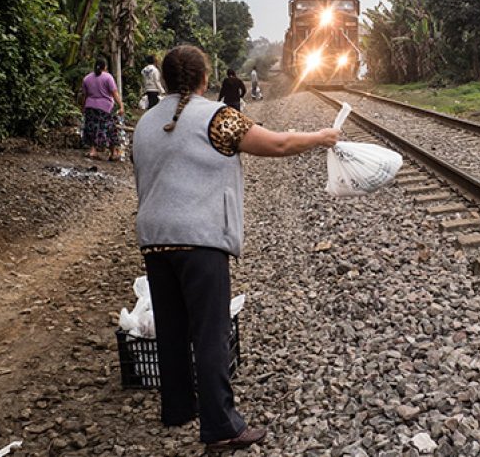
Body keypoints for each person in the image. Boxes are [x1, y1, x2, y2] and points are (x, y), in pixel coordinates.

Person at [132, 45, 339, 452]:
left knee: (172, 330)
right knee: (211, 332)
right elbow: (277, 145)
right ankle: (221, 425)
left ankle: (177, 408)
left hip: (155, 238)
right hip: (200, 239)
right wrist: (322, 137)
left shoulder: (144, 122)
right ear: (205, 79)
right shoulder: (218, 118)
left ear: (166, 80)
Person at [81, 58, 124, 161]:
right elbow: (114, 93)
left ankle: (93, 151)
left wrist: (83, 107)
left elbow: (85, 95)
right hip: (105, 108)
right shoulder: (108, 77)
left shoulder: (87, 78)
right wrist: (121, 106)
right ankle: (113, 152)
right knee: (109, 129)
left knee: (92, 128)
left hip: (90, 106)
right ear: (105, 67)